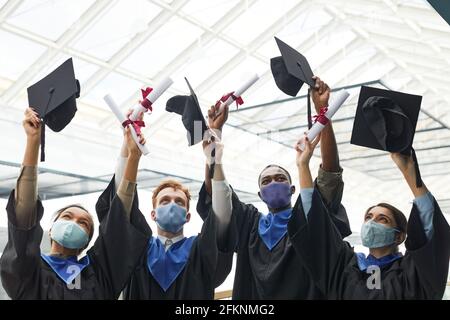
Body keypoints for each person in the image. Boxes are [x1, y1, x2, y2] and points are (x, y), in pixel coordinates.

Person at [197, 77, 351, 299]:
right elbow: (219, 196)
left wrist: (322, 111)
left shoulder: (308, 217)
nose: (273, 182)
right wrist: (215, 137)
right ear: (260, 195)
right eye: (266, 181)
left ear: (292, 189)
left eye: (280, 178)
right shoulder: (250, 224)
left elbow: (330, 175)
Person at [0, 107, 149, 299]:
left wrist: (132, 155)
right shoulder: (31, 272)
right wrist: (33, 141)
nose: (73, 224)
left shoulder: (99, 275)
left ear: (88, 241)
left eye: (83, 223)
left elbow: (118, 221)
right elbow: (23, 214)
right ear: (51, 229)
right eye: (67, 217)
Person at [290, 133, 450, 299]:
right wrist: (303, 166)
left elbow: (431, 230)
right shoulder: (344, 267)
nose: (372, 222)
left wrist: (409, 172)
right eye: (369, 217)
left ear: (399, 236)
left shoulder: (412, 273)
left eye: (383, 219)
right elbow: (316, 226)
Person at [112, 115, 232, 300]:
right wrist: (127, 147)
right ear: (153, 214)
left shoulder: (200, 250)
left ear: (187, 216)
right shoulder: (139, 248)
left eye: (179, 202)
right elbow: (120, 209)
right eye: (165, 201)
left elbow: (222, 216)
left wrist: (215, 160)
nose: (172, 205)